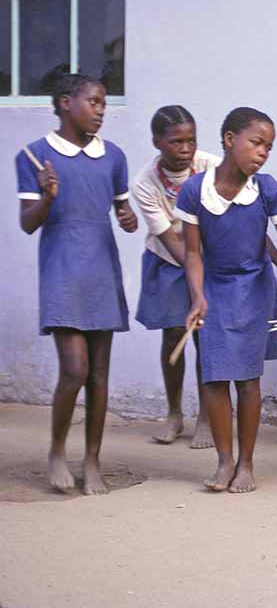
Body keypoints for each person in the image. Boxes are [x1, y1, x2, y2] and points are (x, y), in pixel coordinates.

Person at [16, 73, 138, 495]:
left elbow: (124, 211)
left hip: (101, 269)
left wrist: (129, 220)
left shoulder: (113, 156)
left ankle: (92, 461)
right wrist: (48, 197)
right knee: (75, 369)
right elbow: (28, 224)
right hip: (63, 269)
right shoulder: (34, 156)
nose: (101, 110)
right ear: (66, 102)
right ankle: (56, 451)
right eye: (94, 102)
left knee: (100, 375)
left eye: (104, 103)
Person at [175, 107, 277, 493]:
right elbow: (193, 253)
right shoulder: (194, 190)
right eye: (257, 142)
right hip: (213, 289)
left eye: (269, 147)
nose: (263, 152)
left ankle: (246, 463)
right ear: (230, 140)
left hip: (255, 289)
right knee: (213, 376)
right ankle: (224, 460)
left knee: (247, 378)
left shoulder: (266, 189)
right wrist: (197, 296)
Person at [132, 105, 222, 448]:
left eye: (191, 141)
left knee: (204, 336)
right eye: (176, 142)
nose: (185, 149)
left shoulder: (211, 167)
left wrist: (204, 279)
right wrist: (194, 278)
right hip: (168, 259)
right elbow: (169, 238)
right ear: (157, 142)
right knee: (173, 335)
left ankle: (206, 417)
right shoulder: (145, 182)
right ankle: (174, 413)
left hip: (209, 258)